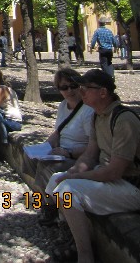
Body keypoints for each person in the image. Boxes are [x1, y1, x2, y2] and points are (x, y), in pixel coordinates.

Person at [45, 70, 140, 263]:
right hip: (111, 179)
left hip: (131, 186)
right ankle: (67, 233)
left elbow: (115, 170)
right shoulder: (98, 116)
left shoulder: (124, 120)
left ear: (103, 92)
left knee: (67, 191)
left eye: (86, 88)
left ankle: (84, 255)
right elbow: (90, 154)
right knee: (58, 179)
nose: (81, 92)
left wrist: (75, 178)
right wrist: (73, 171)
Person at [26, 68, 94, 226]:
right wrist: (44, 147)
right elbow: (58, 131)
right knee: (30, 158)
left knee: (47, 167)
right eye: (64, 87)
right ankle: (46, 196)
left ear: (80, 86)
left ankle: (52, 207)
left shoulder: (88, 110)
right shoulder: (63, 106)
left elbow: (94, 147)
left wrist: (68, 152)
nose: (69, 90)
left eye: (73, 85)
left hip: (78, 156)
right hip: (61, 151)